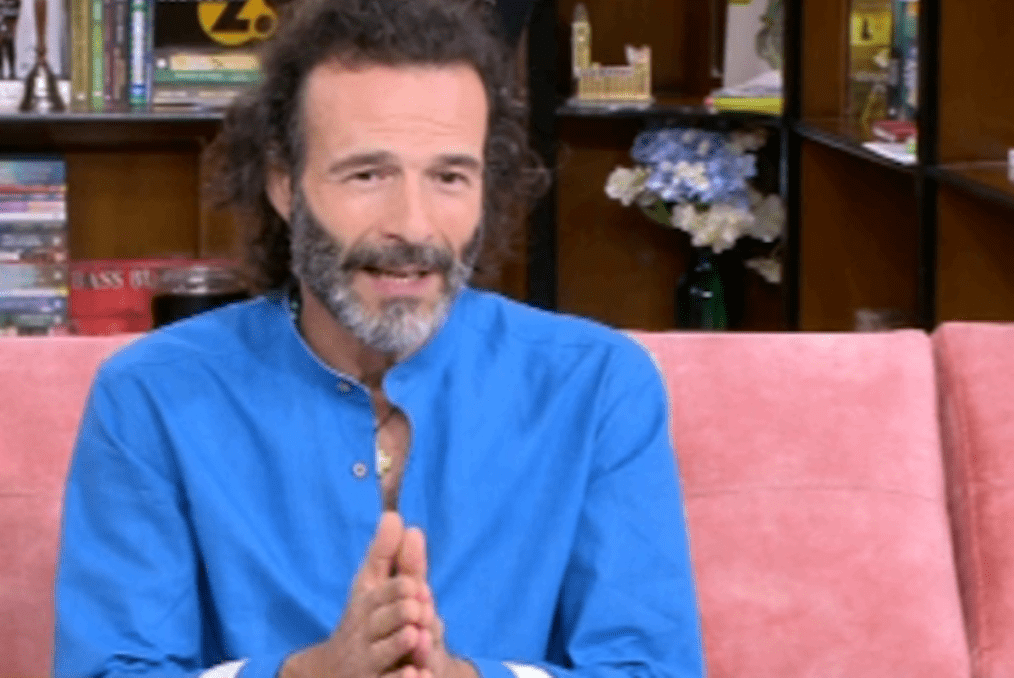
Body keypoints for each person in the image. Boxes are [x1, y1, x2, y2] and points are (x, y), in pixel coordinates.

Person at [52, 0, 705, 676]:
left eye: (449, 177)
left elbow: (652, 669)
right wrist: (308, 675)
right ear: (284, 183)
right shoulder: (150, 395)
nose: (414, 225)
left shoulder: (600, 387)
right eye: (367, 175)